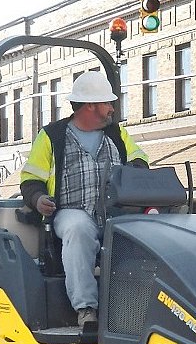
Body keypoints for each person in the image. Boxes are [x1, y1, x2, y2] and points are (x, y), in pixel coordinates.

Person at [20, 71, 149, 327]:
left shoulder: (117, 135)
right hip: (70, 212)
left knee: (144, 234)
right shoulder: (51, 137)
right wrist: (38, 199)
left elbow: (140, 161)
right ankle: (86, 309)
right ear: (90, 105)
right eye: (107, 103)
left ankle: (136, 309)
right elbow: (30, 179)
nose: (112, 108)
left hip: (114, 214)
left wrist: (132, 171)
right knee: (79, 229)